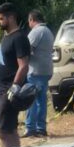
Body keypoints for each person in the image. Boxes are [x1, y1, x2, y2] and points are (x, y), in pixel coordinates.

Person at [0, 3, 30, 147]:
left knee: (4, 131)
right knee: (9, 129)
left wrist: (14, 87)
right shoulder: (6, 37)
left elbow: (23, 65)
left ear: (11, 17)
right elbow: (2, 65)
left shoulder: (19, 38)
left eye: (0, 18)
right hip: (1, 89)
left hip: (9, 91)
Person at [24, 9, 54, 138]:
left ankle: (31, 128)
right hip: (46, 69)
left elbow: (26, 49)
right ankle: (41, 128)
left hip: (35, 70)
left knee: (31, 99)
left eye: (29, 21)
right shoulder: (48, 31)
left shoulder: (36, 32)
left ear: (32, 20)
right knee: (41, 100)